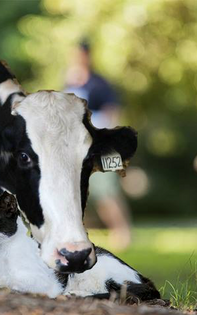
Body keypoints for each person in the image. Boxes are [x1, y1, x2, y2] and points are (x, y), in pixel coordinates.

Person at [65, 42, 132, 250]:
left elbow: (113, 114)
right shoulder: (69, 83)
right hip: (78, 148)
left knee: (107, 193)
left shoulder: (100, 84)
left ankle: (123, 233)